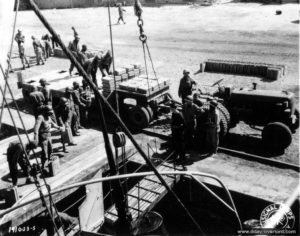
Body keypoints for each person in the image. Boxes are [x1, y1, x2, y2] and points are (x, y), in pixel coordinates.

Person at [33, 106, 63, 170]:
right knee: (45, 152)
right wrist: (36, 138)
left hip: (48, 135)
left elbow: (53, 124)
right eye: (49, 113)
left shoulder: (48, 117)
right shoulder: (40, 117)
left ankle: (48, 162)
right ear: (45, 112)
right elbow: (36, 129)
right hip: (42, 137)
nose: (50, 114)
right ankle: (43, 166)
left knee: (50, 150)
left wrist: (59, 127)